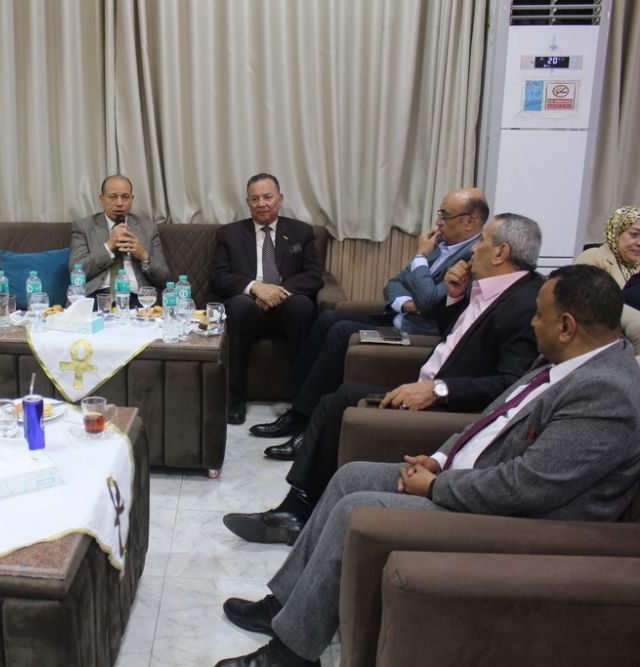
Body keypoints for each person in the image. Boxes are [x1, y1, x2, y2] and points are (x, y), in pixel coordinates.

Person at [215, 264, 640, 667]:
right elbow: (491, 420)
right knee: (351, 476)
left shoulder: (605, 393)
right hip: (470, 478)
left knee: (355, 509)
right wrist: (440, 459)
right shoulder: (564, 360)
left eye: (539, 316)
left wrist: (435, 487)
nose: (532, 323)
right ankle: (284, 604)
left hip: (515, 521)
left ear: (566, 326)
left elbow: (527, 489)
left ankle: (291, 652)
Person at [224, 213, 543, 545]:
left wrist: (439, 389)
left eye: (483, 241)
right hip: (427, 381)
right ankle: (298, 503)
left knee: (340, 401)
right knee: (339, 393)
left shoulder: (524, 304)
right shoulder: (489, 289)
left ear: (501, 253)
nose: (474, 248)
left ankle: (296, 510)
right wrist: (452, 297)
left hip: (447, 405)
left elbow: (513, 384)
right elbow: (454, 339)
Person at [249, 187, 488, 440]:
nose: (438, 221)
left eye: (445, 215)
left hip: (418, 334)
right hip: (400, 318)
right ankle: (297, 404)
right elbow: (393, 284)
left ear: (470, 221)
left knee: (341, 331)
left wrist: (419, 256)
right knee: (328, 319)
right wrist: (408, 304)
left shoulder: (471, 257)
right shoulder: (440, 246)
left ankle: (304, 420)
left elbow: (429, 301)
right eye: (439, 213)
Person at [211, 173, 323, 425]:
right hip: (247, 305)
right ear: (248, 202)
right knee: (239, 307)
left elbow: (313, 276)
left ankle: (300, 401)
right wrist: (255, 288)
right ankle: (235, 398)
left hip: (286, 306)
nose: (261, 203)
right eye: (255, 199)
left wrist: (277, 293)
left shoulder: (301, 232)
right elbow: (218, 278)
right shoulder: (228, 234)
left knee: (303, 306)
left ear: (280, 199)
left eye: (267, 197)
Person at [69, 174, 171, 304]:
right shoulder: (84, 226)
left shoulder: (148, 228)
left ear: (132, 199)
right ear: (102, 199)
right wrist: (109, 247)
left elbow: (164, 278)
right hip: (95, 297)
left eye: (125, 197)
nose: (119, 203)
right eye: (112, 197)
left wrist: (144, 256)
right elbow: (76, 272)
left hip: (138, 298)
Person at [575, 204, 640, 359]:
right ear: (616, 232)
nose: (639, 242)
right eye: (634, 234)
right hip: (599, 346)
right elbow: (584, 302)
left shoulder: (638, 265)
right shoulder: (593, 257)